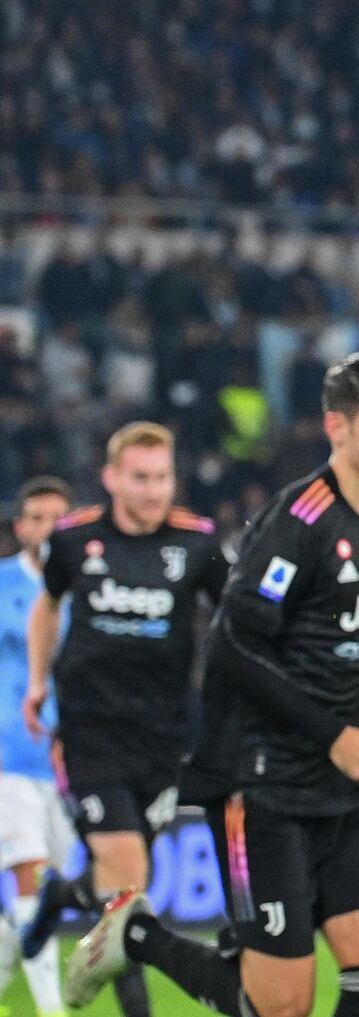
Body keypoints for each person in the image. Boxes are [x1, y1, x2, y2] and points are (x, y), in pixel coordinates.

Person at [61, 352, 359, 1017]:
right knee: (280, 1007)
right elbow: (231, 645)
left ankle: (135, 932)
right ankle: (135, 933)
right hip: (265, 786)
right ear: (337, 428)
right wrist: (336, 735)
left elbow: (351, 655)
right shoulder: (301, 521)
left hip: (347, 786)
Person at [19, 424, 228, 1017]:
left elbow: (238, 618)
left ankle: (65, 893)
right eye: (139, 477)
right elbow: (47, 607)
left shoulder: (197, 544)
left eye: (161, 477)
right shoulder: (73, 538)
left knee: (117, 881)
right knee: (130, 886)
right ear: (111, 478)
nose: (152, 490)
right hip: (90, 734)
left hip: (163, 739)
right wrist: (38, 682)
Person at [0, 476, 75, 1016]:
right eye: (38, 518)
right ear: (21, 527)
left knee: (57, 888)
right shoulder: (2, 585)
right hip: (8, 754)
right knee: (29, 871)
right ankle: (52, 1011)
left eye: (58, 519)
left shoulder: (88, 593)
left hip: (68, 759)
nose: (48, 528)